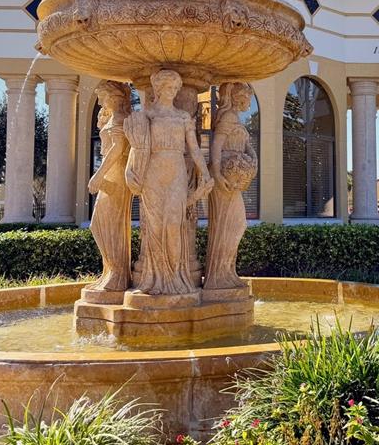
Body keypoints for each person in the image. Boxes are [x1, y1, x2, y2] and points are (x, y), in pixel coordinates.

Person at [125, 69, 212, 295]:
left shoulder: (183, 117)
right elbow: (137, 147)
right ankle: (154, 280)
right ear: (159, 89)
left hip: (176, 171)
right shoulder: (148, 115)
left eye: (175, 88)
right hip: (153, 173)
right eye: (169, 88)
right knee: (153, 226)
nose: (172, 92)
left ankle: (174, 278)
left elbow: (194, 149)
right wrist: (129, 171)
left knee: (174, 224)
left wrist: (205, 173)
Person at [204, 82, 258, 293]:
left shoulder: (236, 119)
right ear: (237, 98)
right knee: (231, 226)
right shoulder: (227, 118)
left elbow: (248, 147)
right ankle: (218, 276)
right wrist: (217, 174)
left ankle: (225, 273)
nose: (248, 103)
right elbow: (216, 146)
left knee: (234, 226)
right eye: (246, 99)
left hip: (233, 179)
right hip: (224, 180)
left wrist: (252, 162)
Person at [87, 81, 134, 294]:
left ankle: (117, 275)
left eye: (105, 97)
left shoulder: (121, 119)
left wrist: (98, 175)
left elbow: (118, 148)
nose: (102, 102)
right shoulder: (114, 118)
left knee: (107, 223)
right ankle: (111, 271)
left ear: (114, 97)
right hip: (112, 170)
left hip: (117, 172)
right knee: (101, 224)